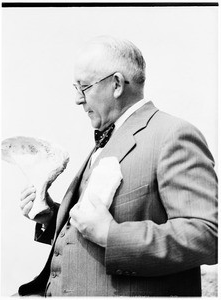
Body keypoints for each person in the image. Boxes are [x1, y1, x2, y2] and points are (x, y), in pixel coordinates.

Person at [18, 35, 217, 297]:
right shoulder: (108, 138)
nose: (78, 100)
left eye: (84, 87)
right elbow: (92, 224)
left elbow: (206, 237)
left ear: (116, 84)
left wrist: (112, 236)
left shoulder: (173, 135)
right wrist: (54, 217)